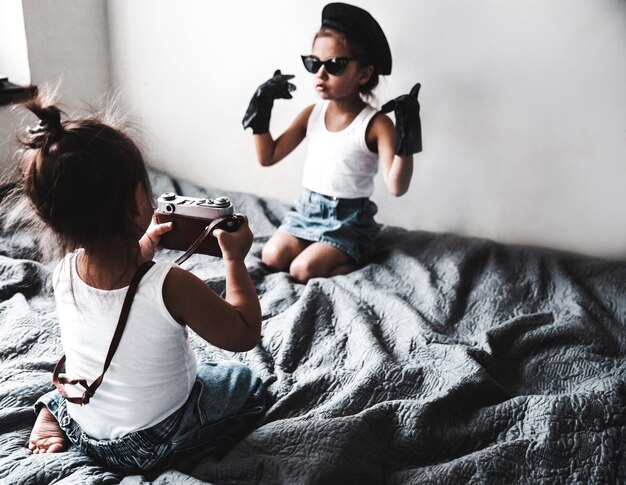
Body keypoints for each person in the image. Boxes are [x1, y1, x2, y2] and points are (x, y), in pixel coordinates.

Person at [20, 93, 266, 473]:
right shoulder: (171, 284)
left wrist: (145, 245)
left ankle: (55, 413)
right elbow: (245, 334)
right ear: (139, 201)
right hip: (152, 441)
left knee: (70, 385)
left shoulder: (63, 272)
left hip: (87, 421)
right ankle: (186, 453)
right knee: (245, 382)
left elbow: (118, 288)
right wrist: (235, 259)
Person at [243, 2, 422, 283]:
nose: (320, 74)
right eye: (313, 63)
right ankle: (324, 252)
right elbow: (268, 156)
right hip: (307, 210)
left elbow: (396, 186)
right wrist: (261, 112)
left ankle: (359, 253)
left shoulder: (375, 124)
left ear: (363, 74)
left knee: (302, 270)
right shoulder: (312, 114)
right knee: (272, 256)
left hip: (348, 221)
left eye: (334, 65)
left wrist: (407, 136)